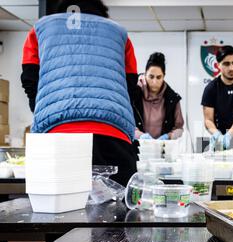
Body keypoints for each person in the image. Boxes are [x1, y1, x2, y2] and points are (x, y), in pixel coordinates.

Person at [21, 0, 138, 186]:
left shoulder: (40, 29)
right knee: (120, 208)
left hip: (57, 135)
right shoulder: (119, 33)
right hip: (113, 133)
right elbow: (131, 84)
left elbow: (29, 78)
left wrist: (46, 112)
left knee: (60, 207)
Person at [133, 52, 184, 141]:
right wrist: (140, 136)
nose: (154, 82)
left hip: (162, 150)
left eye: (159, 77)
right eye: (151, 77)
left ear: (164, 76)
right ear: (145, 74)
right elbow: (126, 123)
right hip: (137, 149)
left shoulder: (172, 99)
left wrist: (169, 136)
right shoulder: (133, 94)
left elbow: (179, 128)